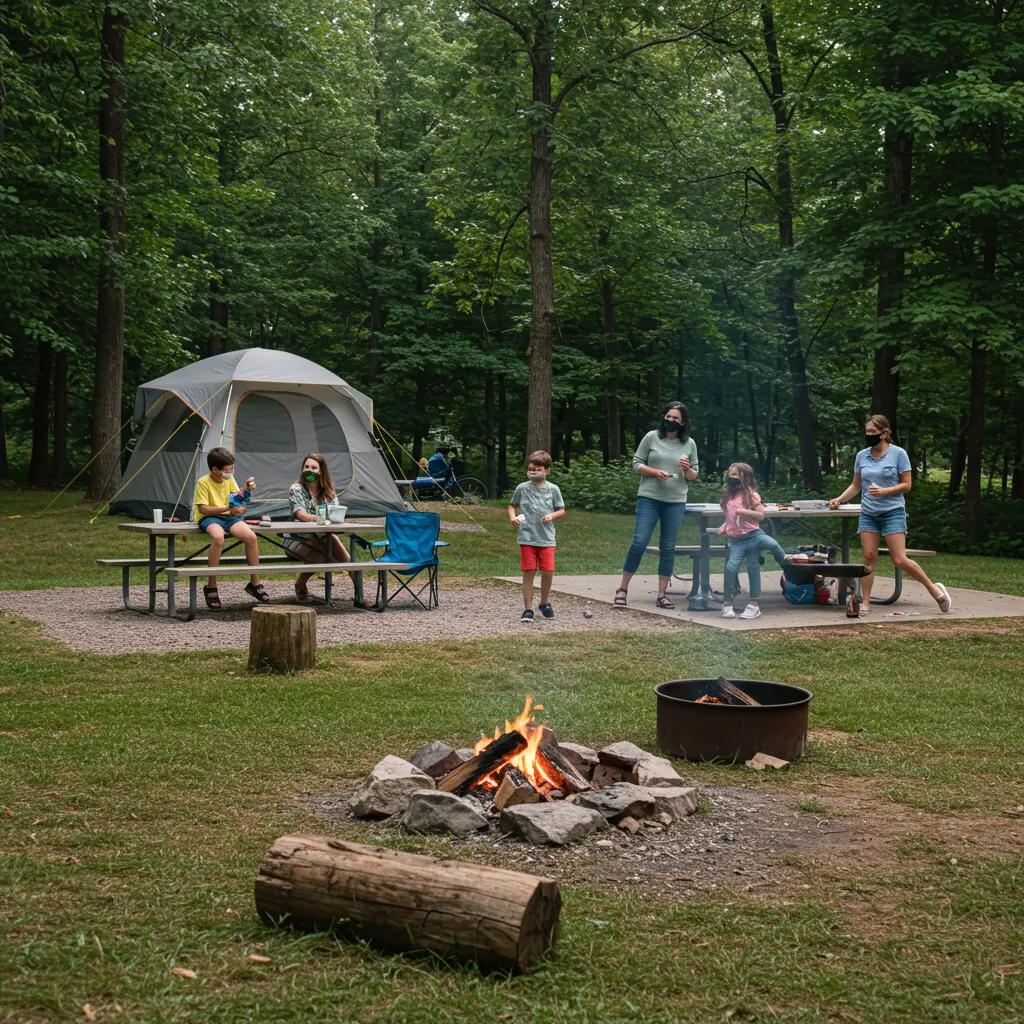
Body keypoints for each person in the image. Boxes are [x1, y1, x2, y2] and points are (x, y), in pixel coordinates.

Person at [829, 414, 951, 616]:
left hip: (892, 512)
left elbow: (907, 484)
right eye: (867, 432)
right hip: (868, 513)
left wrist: (885, 491)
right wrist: (839, 499)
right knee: (868, 557)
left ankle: (935, 590)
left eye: (873, 432)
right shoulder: (862, 456)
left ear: (884, 433)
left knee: (899, 559)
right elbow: (856, 485)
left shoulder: (898, 454)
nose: (869, 435)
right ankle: (865, 602)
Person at [615, 401, 699, 609]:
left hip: (675, 501)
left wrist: (687, 469)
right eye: (668, 417)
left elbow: (694, 475)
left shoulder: (689, 444)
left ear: (682, 423)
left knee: (668, 547)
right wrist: (655, 472)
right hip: (649, 498)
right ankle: (622, 588)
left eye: (676, 419)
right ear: (664, 417)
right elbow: (636, 463)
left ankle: (662, 594)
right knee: (639, 542)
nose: (671, 420)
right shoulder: (651, 437)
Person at [193, 446, 267, 610]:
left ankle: (255, 583)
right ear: (215, 469)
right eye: (228, 470)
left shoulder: (229, 480)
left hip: (229, 516)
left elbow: (236, 499)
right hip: (210, 517)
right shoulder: (203, 482)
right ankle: (211, 585)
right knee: (218, 538)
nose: (230, 472)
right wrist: (227, 508)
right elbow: (203, 509)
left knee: (251, 537)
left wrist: (245, 491)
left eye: (232, 468)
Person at [717, 462, 787, 620]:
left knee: (772, 546)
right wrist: (725, 526)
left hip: (754, 535)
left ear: (745, 478)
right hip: (737, 541)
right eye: (730, 474)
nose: (731, 477)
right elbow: (730, 516)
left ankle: (785, 563)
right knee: (730, 568)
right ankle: (727, 604)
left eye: (735, 475)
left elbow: (760, 516)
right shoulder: (728, 495)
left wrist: (744, 511)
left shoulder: (752, 495)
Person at [283, 453, 353, 602]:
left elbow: (336, 512)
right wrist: (321, 519)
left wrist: (330, 520)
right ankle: (300, 584)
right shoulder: (296, 488)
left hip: (324, 536)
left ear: (321, 471)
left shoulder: (328, 490)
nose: (310, 470)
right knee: (321, 555)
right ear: (302, 469)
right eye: (306, 467)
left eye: (314, 467)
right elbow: (300, 514)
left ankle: (360, 595)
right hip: (296, 538)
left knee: (343, 555)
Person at [508, 451, 566, 623]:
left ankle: (544, 602)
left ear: (547, 470)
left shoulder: (553, 489)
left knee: (548, 570)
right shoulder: (522, 488)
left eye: (537, 469)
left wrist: (551, 516)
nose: (533, 471)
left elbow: (561, 509)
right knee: (529, 572)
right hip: (527, 538)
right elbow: (511, 506)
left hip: (547, 538)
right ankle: (528, 609)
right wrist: (512, 517)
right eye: (531, 468)